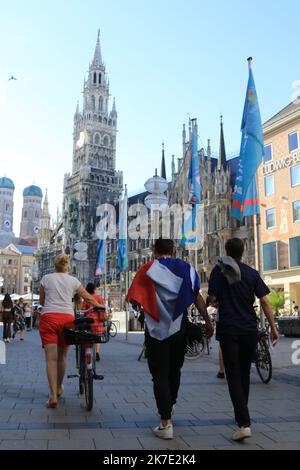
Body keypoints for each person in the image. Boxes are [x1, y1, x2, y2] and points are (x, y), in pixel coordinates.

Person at [127, 238, 214, 440]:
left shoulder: (147, 269)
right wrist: (208, 321)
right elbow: (197, 297)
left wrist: (143, 305)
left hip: (155, 329)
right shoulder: (186, 268)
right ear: (173, 251)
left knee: (159, 374)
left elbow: (134, 299)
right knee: (174, 370)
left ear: (154, 252)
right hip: (178, 328)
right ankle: (171, 403)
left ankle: (165, 423)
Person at [208, 238, 279, 442]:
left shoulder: (218, 271)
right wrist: (273, 327)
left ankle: (243, 422)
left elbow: (212, 299)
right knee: (244, 373)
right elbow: (264, 300)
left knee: (233, 376)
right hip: (249, 329)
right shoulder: (251, 272)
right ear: (243, 251)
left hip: (229, 329)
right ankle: (242, 416)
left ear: (226, 251)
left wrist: (218, 299)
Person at [39, 255, 105, 408]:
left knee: (51, 359)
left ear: (55, 266)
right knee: (62, 357)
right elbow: (88, 298)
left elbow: (42, 302)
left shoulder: (46, 278)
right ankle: (59, 387)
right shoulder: (73, 281)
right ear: (67, 266)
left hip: (48, 318)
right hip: (66, 320)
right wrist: (101, 306)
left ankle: (53, 396)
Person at [81, 282, 107, 362]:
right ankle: (97, 352)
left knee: (89, 337)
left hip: (89, 321)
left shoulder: (86, 298)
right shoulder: (99, 298)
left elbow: (83, 310)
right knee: (97, 337)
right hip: (98, 321)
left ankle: (90, 353)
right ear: (94, 289)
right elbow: (103, 308)